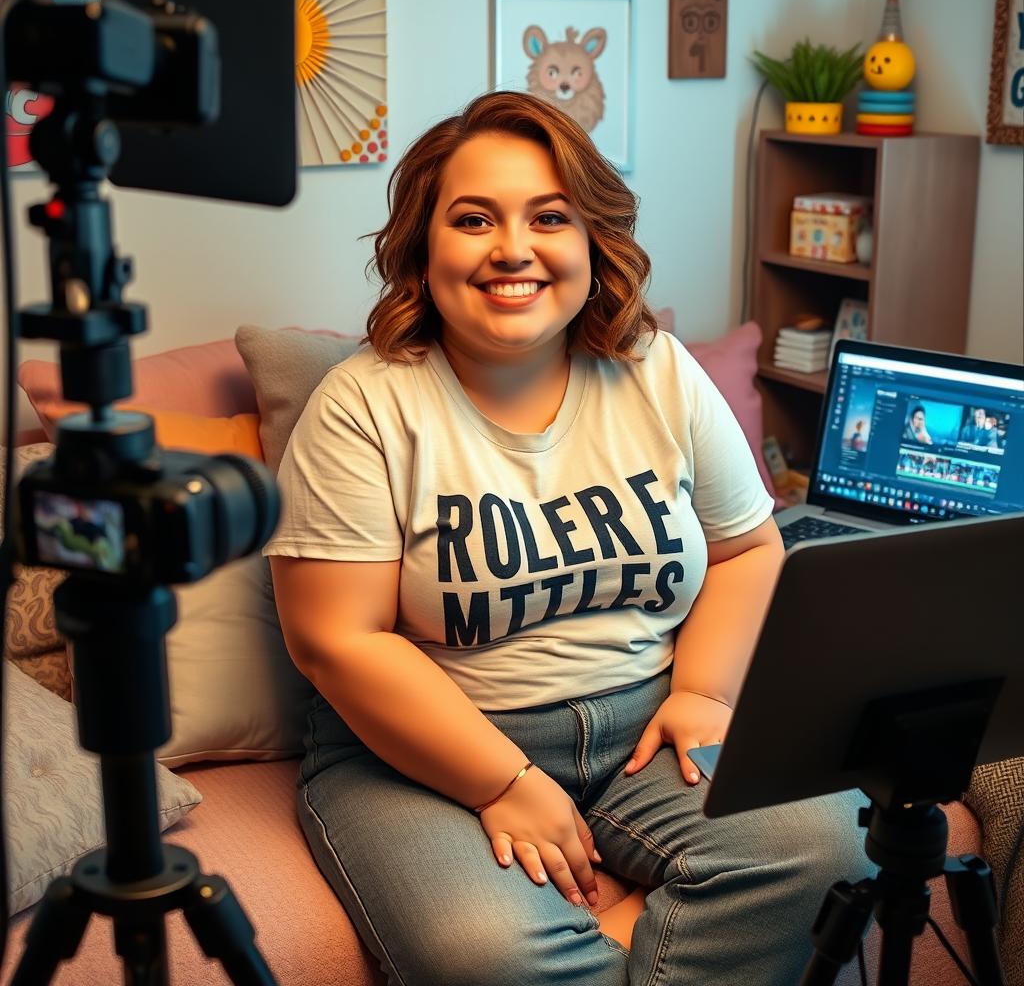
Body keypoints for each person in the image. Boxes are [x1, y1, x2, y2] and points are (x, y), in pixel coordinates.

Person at [265, 91, 872, 986]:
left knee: (831, 847)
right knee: (492, 955)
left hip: (644, 730)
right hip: (421, 755)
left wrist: (704, 693)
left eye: (548, 217)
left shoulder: (655, 368)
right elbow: (336, 641)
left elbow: (748, 548)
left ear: (592, 239)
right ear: (421, 248)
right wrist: (504, 785)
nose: (513, 248)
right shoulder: (363, 407)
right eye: (473, 219)